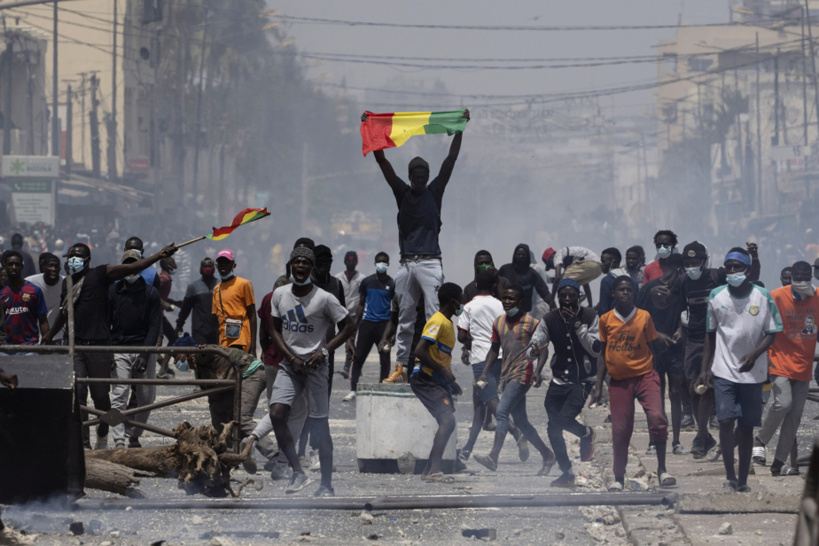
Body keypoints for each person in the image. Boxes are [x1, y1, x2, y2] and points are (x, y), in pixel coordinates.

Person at [41, 241, 177, 450]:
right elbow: (63, 311)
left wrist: (159, 256)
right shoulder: (67, 283)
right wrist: (50, 334)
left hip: (99, 347)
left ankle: (103, 433)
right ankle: (84, 443)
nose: (74, 260)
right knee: (79, 393)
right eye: (71, 257)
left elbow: (131, 268)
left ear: (87, 260)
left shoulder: (100, 274)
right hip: (76, 347)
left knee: (101, 397)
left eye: (78, 256)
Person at [367, 108, 469, 384]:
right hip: (405, 263)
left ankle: (436, 362)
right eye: (417, 174)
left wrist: (459, 129)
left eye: (425, 174)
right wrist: (372, 132)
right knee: (405, 318)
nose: (421, 179)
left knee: (435, 315)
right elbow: (384, 164)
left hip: (430, 262)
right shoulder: (402, 193)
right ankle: (400, 367)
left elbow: (450, 160)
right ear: (411, 176)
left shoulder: (435, 192)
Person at [267, 246, 354, 497]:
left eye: (306, 263)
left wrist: (324, 351)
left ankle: (326, 484)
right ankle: (297, 471)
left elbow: (349, 326)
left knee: (319, 427)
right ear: (291, 266)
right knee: (276, 413)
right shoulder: (280, 294)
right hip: (289, 366)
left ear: (311, 268)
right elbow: (273, 329)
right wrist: (290, 357)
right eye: (297, 262)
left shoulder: (324, 298)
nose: (301, 267)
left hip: (316, 368)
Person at [697, 248, 782, 493]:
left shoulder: (762, 296)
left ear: (746, 269)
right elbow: (710, 336)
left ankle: (743, 481)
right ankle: (729, 477)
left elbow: (772, 332)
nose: (732, 271)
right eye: (728, 267)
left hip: (753, 374)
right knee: (725, 421)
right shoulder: (716, 296)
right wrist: (705, 369)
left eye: (737, 266)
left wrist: (755, 355)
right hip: (724, 370)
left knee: (745, 427)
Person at [593, 276, 675, 491]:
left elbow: (653, 345)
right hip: (619, 381)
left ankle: (662, 469)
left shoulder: (644, 317)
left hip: (645, 375)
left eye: (629, 289)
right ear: (613, 293)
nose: (625, 293)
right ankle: (618, 477)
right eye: (621, 290)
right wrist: (598, 385)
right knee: (620, 430)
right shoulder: (606, 320)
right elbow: (602, 354)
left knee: (657, 418)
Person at [680, 241, 760, 459]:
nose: (691, 266)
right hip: (694, 340)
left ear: (704, 261)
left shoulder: (717, 277)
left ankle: (702, 435)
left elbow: (749, 278)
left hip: (719, 338)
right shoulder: (683, 282)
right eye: (687, 263)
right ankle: (704, 435)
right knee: (694, 388)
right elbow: (676, 306)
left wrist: (753, 255)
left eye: (695, 262)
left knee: (708, 386)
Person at [473, 285, 557, 477]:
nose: (507, 302)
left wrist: (538, 370)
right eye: (504, 298)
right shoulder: (499, 322)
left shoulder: (532, 323)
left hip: (523, 373)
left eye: (511, 299)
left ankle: (493, 457)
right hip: (507, 374)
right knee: (521, 422)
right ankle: (548, 455)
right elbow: (494, 349)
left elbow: (543, 348)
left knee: (501, 411)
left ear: (520, 302)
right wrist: (484, 372)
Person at [529, 278, 600, 487]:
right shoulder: (550, 318)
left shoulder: (590, 315)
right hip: (559, 378)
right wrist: (532, 351)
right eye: (563, 295)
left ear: (578, 296)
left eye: (571, 295)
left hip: (582, 379)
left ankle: (587, 434)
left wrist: (578, 327)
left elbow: (595, 348)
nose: (567, 299)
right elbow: (536, 342)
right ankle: (567, 472)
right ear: (558, 297)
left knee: (565, 418)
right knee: (553, 428)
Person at [753, 261, 818, 476]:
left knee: (796, 416)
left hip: (804, 364)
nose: (800, 284)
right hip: (780, 360)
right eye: (796, 280)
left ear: (811, 277)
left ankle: (779, 463)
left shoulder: (817, 297)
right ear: (791, 280)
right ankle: (760, 439)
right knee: (783, 403)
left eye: (804, 280)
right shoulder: (777, 296)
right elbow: (761, 327)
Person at [457, 270, 526, 463]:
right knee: (479, 404)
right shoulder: (501, 305)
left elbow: (461, 336)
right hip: (501, 355)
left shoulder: (468, 307)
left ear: (475, 286)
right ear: (496, 285)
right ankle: (467, 449)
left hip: (481, 359)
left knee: (489, 400)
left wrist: (471, 341)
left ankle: (515, 432)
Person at [178, 344, 279, 468]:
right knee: (217, 414)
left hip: (251, 373)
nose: (176, 362)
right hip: (237, 379)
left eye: (176, 357)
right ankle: (230, 455)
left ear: (187, 354)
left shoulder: (201, 356)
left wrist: (199, 352)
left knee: (243, 417)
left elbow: (209, 352)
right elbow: (212, 394)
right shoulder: (200, 369)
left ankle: (275, 456)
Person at [409, 282, 464, 483]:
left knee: (447, 422)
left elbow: (440, 357)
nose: (463, 303)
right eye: (462, 298)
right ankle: (434, 470)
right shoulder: (437, 322)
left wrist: (451, 382)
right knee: (447, 420)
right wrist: (442, 371)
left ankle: (428, 470)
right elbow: (420, 351)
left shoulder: (447, 324)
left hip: (436, 379)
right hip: (424, 378)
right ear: (453, 301)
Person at [636, 253, 690, 455]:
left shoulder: (682, 290)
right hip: (653, 349)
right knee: (655, 396)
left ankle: (676, 441)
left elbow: (685, 313)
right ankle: (654, 441)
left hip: (675, 347)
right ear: (679, 269)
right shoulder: (649, 289)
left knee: (675, 393)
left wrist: (680, 330)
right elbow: (637, 317)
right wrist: (656, 334)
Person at [108, 249, 162, 449]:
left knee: (147, 397)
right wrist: (108, 351)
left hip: (143, 348)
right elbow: (106, 323)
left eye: (134, 263)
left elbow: (154, 326)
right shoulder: (113, 291)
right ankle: (119, 439)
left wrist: (144, 355)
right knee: (119, 394)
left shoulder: (150, 293)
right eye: (127, 263)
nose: (130, 269)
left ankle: (135, 434)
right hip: (119, 348)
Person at [343, 252, 395, 401]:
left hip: (384, 327)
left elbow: (395, 309)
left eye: (384, 262)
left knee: (385, 359)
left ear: (388, 264)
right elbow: (360, 305)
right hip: (367, 324)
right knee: (358, 358)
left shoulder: (391, 284)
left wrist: (392, 333)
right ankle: (353, 389)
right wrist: (354, 329)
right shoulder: (367, 282)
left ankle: (382, 388)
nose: (381, 264)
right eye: (379, 261)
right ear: (375, 263)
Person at [212, 249, 256, 357]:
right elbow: (216, 320)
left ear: (234, 265)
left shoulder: (244, 284)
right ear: (216, 266)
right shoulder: (217, 289)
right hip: (224, 342)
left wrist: (253, 347)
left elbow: (252, 315)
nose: (223, 265)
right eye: (220, 262)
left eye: (226, 262)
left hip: (241, 340)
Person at [0, 250, 49, 346]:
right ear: (5, 267)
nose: (14, 267)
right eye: (10, 264)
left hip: (30, 347)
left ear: (22, 267)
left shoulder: (35, 291)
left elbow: (43, 320)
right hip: (6, 348)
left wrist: (46, 344)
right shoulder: (1, 294)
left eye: (17, 264)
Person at [497, 244, 552, 315]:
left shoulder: (532, 273)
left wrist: (554, 307)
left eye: (523, 255)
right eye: (518, 254)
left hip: (523, 312)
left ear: (528, 257)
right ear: (514, 255)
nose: (520, 257)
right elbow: (495, 284)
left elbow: (544, 292)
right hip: (505, 310)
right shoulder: (505, 270)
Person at [176, 257, 220, 345]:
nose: (207, 269)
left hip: (217, 330)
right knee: (201, 356)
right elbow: (186, 308)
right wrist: (179, 324)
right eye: (205, 266)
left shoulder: (220, 285)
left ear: (214, 269)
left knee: (216, 356)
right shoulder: (193, 287)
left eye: (210, 266)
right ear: (200, 269)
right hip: (199, 331)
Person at [336, 251, 364, 379]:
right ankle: (357, 364)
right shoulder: (338, 278)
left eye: (353, 260)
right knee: (344, 338)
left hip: (355, 314)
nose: (351, 263)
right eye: (349, 260)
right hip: (340, 313)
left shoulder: (361, 279)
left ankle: (347, 367)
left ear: (356, 262)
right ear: (345, 262)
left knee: (351, 338)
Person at [26, 252, 63, 342]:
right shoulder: (30, 282)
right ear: (43, 268)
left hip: (59, 336)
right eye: (50, 266)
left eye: (56, 266)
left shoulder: (65, 282)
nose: (53, 269)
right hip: (35, 336)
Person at [157, 257, 182, 378]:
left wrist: (176, 302)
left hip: (159, 314)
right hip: (156, 315)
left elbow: (162, 296)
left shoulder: (166, 278)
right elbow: (155, 295)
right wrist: (167, 305)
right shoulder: (163, 279)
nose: (175, 264)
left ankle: (163, 368)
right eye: (173, 262)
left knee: (172, 338)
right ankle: (162, 367)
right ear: (168, 265)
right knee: (159, 342)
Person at [598, 247, 628, 315]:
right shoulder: (631, 280)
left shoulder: (606, 281)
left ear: (613, 262)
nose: (601, 264)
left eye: (603, 261)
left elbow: (603, 310)